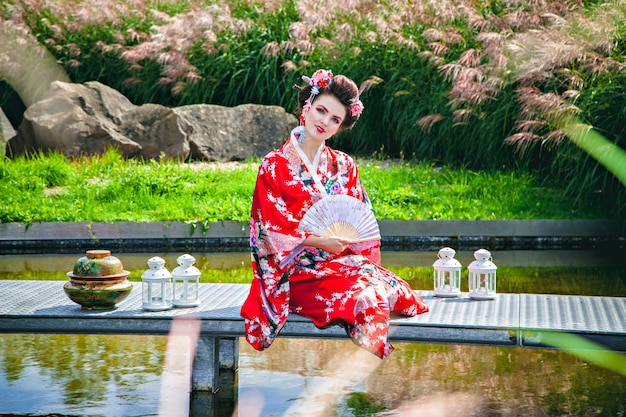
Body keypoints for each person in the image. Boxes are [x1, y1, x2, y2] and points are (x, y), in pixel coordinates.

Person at [240, 69, 428, 359]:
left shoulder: (344, 165)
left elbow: (361, 224)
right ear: (307, 107)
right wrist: (318, 241)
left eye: (335, 119)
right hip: (296, 273)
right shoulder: (273, 165)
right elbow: (268, 232)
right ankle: (367, 329)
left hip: (338, 264)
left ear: (340, 127)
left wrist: (346, 247)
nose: (324, 122)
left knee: (399, 295)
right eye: (321, 110)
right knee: (367, 299)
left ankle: (362, 307)